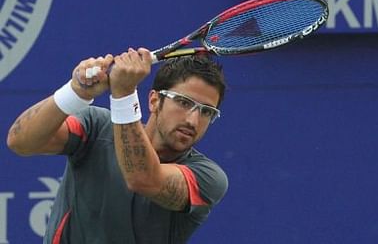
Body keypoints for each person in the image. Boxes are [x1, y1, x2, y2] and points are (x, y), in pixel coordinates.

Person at [6, 48, 228, 243]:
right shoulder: (96, 126)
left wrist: (124, 94)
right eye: (183, 102)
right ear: (154, 101)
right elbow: (21, 142)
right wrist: (75, 92)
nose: (193, 120)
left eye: (207, 112)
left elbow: (142, 179)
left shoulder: (208, 177)